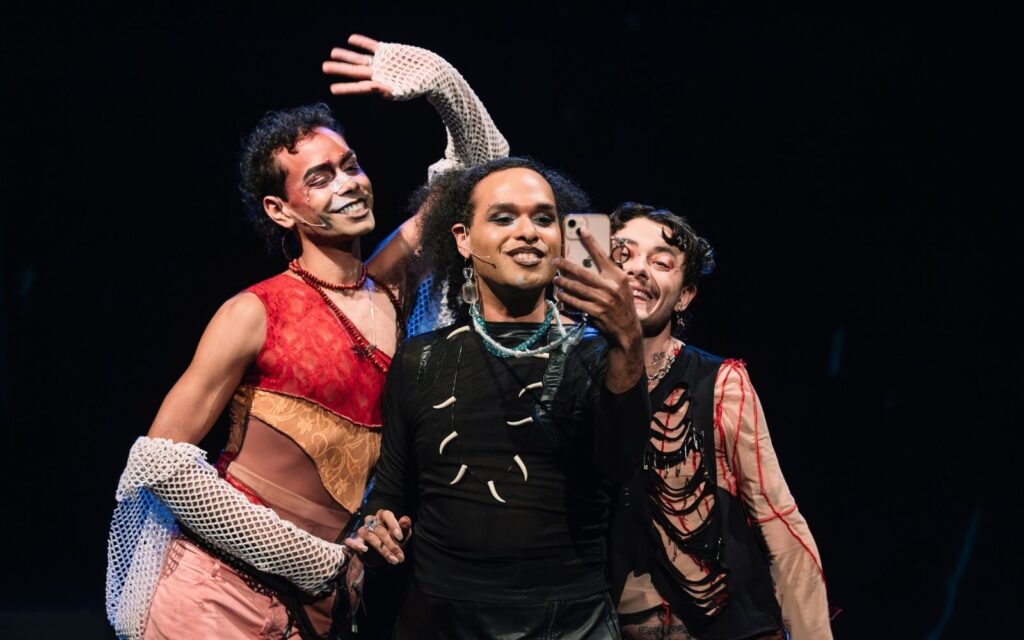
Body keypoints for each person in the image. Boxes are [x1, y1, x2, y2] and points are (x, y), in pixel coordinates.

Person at [105, 34, 508, 640]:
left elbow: (482, 177)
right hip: (215, 593)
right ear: (280, 209)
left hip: (319, 611)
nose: (348, 184)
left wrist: (441, 84)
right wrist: (317, 560)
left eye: (351, 166)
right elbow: (158, 463)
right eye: (320, 178)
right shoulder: (254, 311)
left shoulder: (391, 287)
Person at [345, 157, 651, 639]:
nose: (527, 232)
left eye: (544, 218)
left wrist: (628, 340)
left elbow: (621, 464)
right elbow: (390, 492)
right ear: (463, 239)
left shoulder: (596, 355)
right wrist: (377, 523)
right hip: (442, 622)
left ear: (562, 239)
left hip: (569, 624)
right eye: (504, 217)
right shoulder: (420, 358)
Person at [605, 203, 832, 639]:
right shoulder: (571, 379)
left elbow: (777, 517)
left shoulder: (720, 383)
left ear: (685, 295)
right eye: (622, 255)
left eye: (661, 262)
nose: (637, 270)